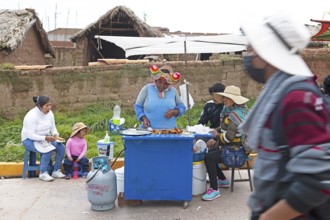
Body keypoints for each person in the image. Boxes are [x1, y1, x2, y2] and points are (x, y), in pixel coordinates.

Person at [240, 12, 330, 219]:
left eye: (252, 47)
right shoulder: (282, 93)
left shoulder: (297, 99)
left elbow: (317, 181)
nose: (247, 52)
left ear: (266, 52)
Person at [201, 85, 249, 201]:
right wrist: (212, 131)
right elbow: (223, 129)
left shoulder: (235, 116)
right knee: (208, 152)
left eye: (228, 98)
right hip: (230, 148)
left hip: (236, 152)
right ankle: (222, 180)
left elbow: (229, 137)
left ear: (235, 101)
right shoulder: (229, 111)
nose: (225, 100)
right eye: (225, 97)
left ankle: (214, 189)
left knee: (209, 157)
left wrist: (216, 137)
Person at [21, 96, 65, 182]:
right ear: (40, 106)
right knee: (48, 149)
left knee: (61, 147)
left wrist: (56, 135)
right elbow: (30, 135)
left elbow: (53, 127)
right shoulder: (32, 116)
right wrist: (45, 138)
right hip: (29, 140)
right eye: (46, 106)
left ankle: (56, 170)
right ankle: (43, 173)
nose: (49, 108)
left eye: (50, 105)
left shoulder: (50, 113)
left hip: (45, 138)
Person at [134, 64, 186, 129]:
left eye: (166, 83)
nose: (162, 85)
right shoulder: (146, 89)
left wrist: (175, 112)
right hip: (148, 131)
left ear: (169, 83)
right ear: (155, 80)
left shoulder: (173, 91)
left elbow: (182, 107)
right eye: (160, 82)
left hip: (170, 132)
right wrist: (143, 118)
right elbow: (138, 106)